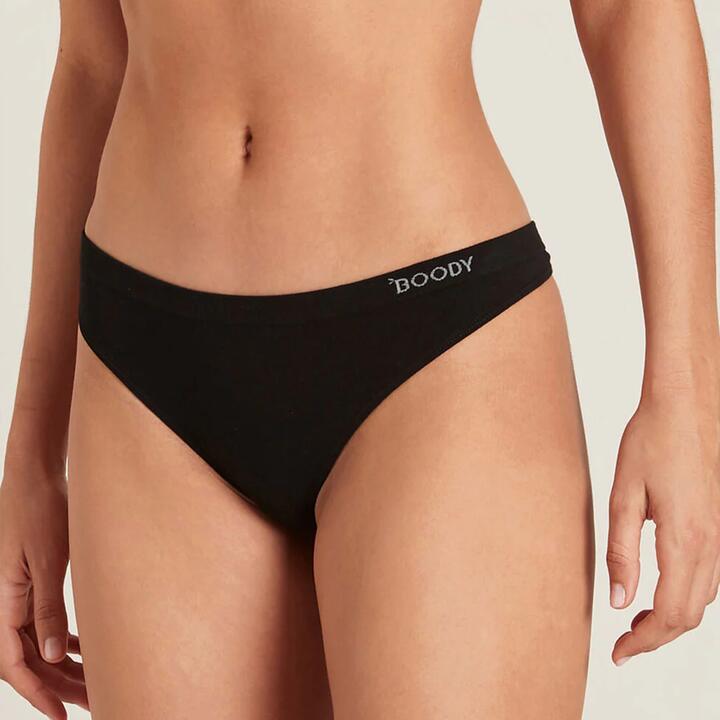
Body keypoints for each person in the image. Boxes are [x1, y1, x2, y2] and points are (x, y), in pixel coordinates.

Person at [1, 1, 718, 718]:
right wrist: (31, 452)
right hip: (146, 372)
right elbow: (94, 59)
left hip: (433, 347)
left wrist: (685, 395)